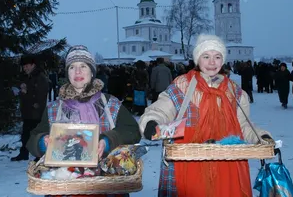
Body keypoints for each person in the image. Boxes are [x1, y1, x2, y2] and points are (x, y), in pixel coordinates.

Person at [139, 34, 273, 197]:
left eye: (217, 57)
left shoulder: (235, 92)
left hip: (227, 165)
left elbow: (243, 126)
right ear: (197, 59)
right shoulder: (183, 86)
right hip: (188, 163)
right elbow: (160, 110)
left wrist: (261, 136)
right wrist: (151, 123)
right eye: (206, 56)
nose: (212, 62)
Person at [26, 45, 141, 197]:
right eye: (72, 67)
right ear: (67, 73)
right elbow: (32, 139)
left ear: (92, 72)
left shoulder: (109, 104)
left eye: (83, 66)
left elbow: (133, 131)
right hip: (64, 186)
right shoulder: (55, 108)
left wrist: (107, 141)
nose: (78, 72)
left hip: (107, 185)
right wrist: (43, 142)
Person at [11, 54, 49, 161]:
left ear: (33, 65)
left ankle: (39, 156)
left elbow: (39, 96)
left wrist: (25, 92)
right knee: (25, 135)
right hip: (27, 111)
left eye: (27, 66)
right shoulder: (26, 77)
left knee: (36, 135)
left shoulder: (40, 77)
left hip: (36, 113)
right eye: (23, 66)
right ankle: (24, 153)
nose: (25, 68)